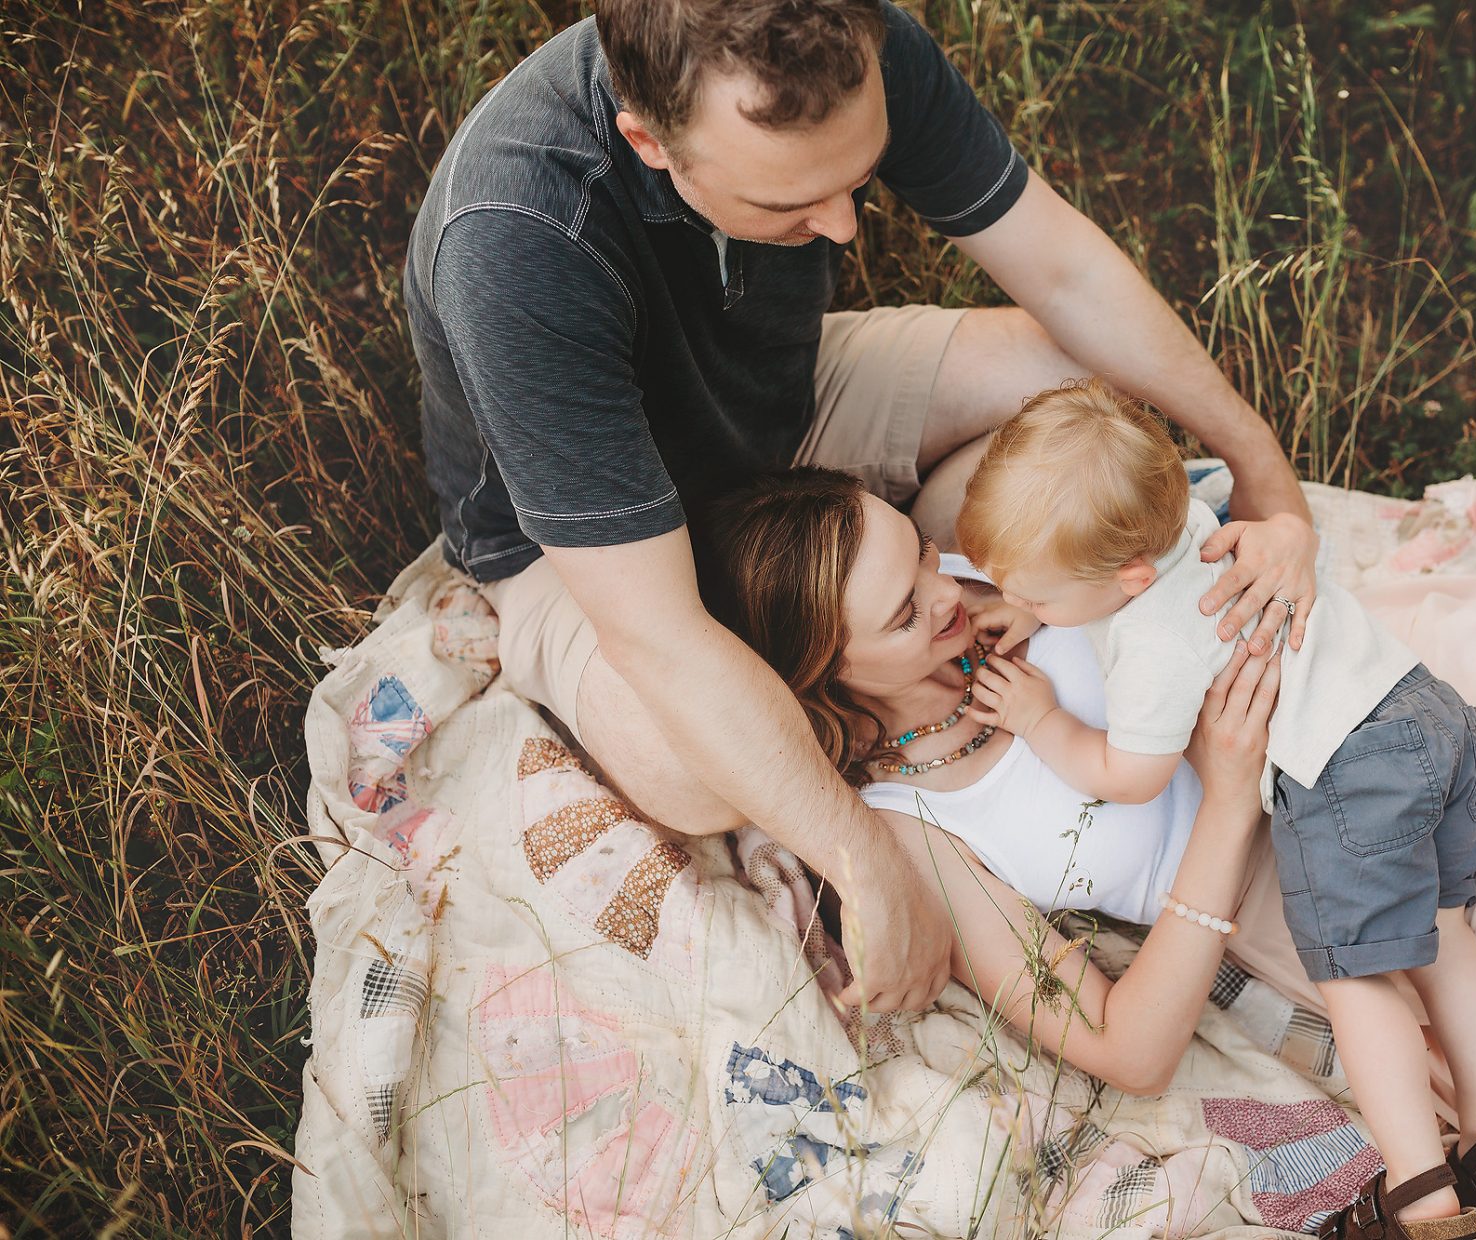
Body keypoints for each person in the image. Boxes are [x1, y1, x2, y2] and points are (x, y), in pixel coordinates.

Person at [402, 0, 1322, 1011]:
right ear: (648, 142)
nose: (844, 225)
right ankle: (869, 626)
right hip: (586, 545)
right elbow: (657, 631)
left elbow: (1061, 268)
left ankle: (902, 552)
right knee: (689, 767)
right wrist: (866, 856)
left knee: (1087, 395)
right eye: (792, 202)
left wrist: (1263, 472)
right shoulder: (518, 239)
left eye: (856, 178)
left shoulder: (840, 36)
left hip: (780, 406)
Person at [696, 465, 1476, 1201]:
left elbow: (1147, 502)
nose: (949, 592)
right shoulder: (914, 829)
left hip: (1388, 684)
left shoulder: (981, 563)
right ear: (828, 675)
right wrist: (1224, 778)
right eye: (907, 613)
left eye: (921, 555)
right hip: (1331, 873)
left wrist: (1274, 534)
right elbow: (1123, 1047)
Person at [953, 379, 1476, 1240]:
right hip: (1425, 711)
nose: (1032, 613)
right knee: (1444, 928)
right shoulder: (1193, 526)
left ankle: (1423, 1195)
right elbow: (1091, 562)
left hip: (1345, 768)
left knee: (1357, 978)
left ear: (1124, 577)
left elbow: (1133, 775)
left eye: (1039, 598)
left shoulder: (1157, 639)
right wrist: (1030, 593)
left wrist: (1042, 718)